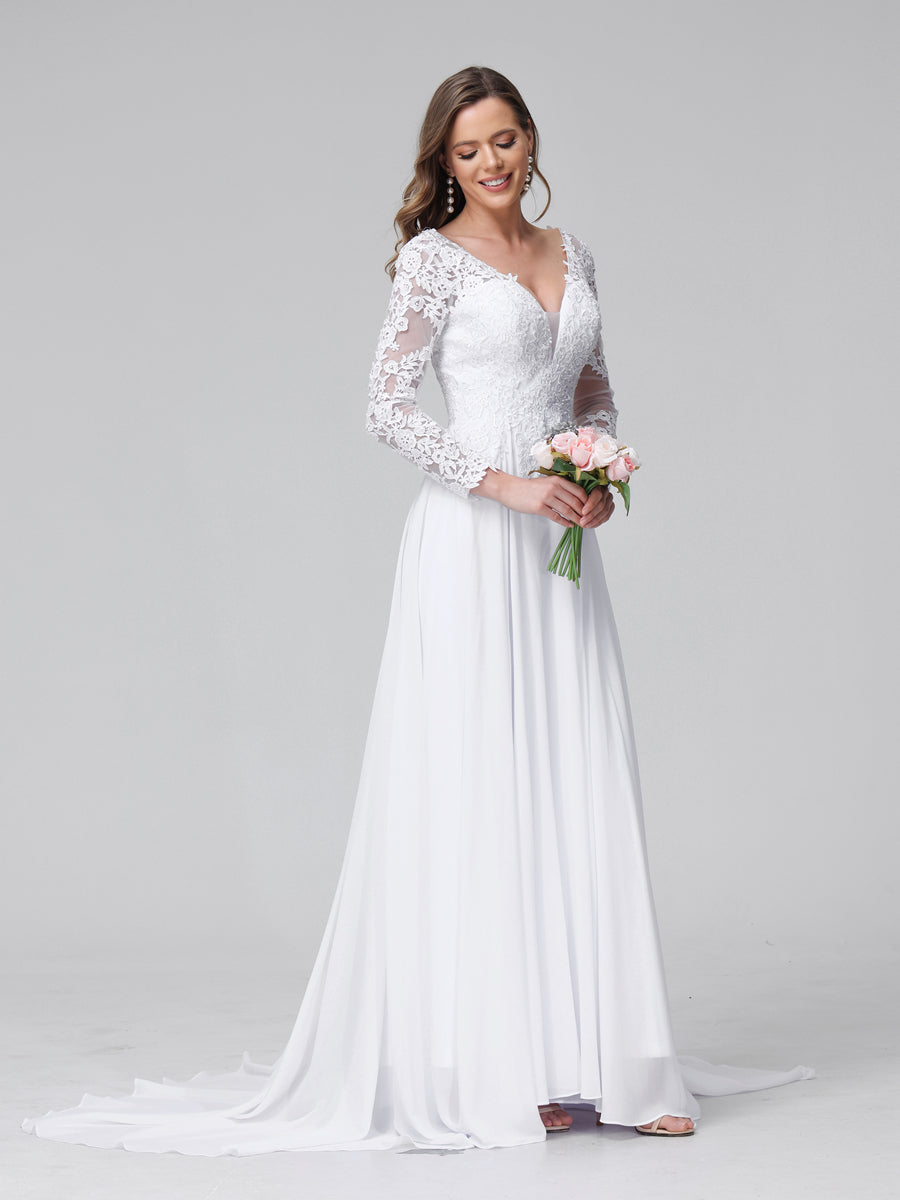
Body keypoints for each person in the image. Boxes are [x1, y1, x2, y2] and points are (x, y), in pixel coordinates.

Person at [22, 66, 812, 1156]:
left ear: (532, 140)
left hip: (559, 553)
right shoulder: (433, 264)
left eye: (505, 140)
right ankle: (506, 1069)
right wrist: (505, 486)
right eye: (468, 149)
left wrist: (594, 477)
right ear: (445, 162)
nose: (491, 163)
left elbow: (594, 393)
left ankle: (613, 1066)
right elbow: (386, 408)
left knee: (572, 776)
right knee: (482, 785)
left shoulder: (575, 255)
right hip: (472, 544)